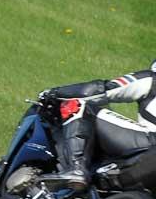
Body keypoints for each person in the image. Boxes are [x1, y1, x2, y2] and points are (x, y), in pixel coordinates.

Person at [39, 61, 156, 190]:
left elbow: (100, 90)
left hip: (149, 142)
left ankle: (76, 169)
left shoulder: (150, 78)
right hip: (148, 158)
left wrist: (53, 93)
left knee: (80, 104)